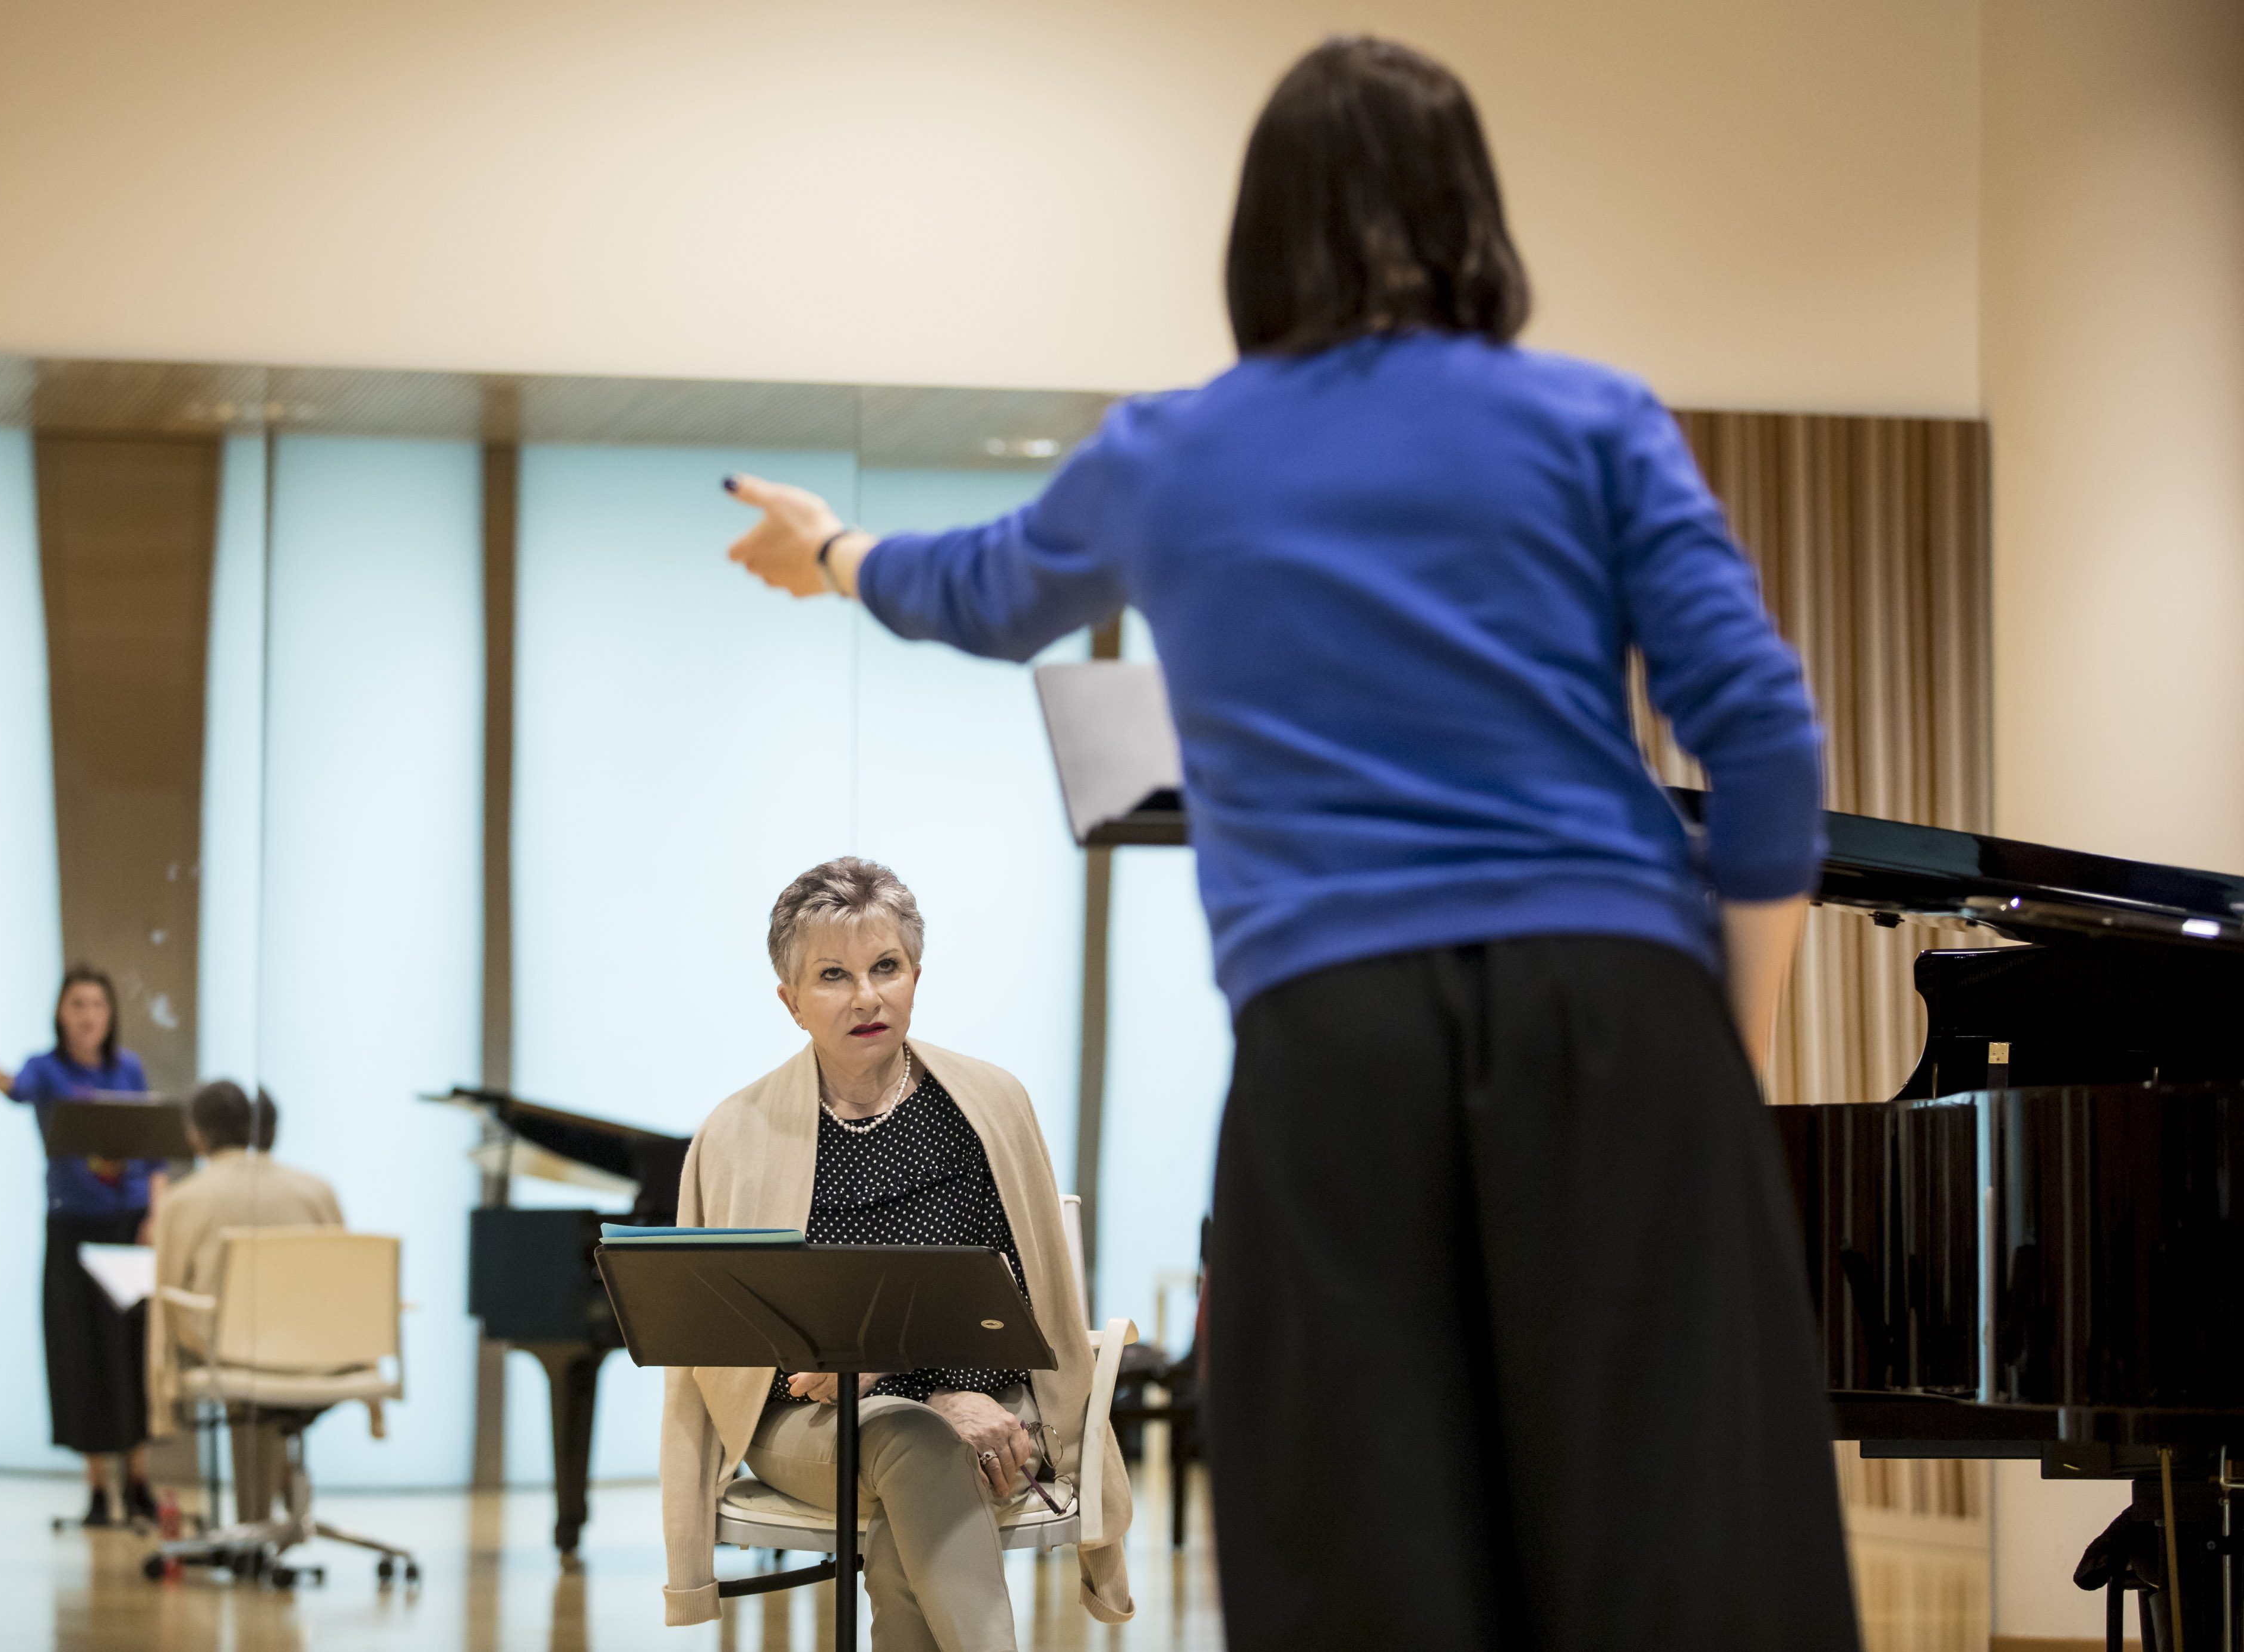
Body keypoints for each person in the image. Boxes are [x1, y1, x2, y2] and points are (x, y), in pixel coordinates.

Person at [719, 36, 1857, 1651]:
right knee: (1675, 1519)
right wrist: (1719, 1046)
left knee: (1360, 1528)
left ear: (1258, 234)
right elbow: (1766, 738)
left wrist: (830, 545)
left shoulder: (1173, 450)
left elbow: (971, 586)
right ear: (1478, 216)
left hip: (1341, 1039)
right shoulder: (1593, 418)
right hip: (1617, 1017)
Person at [660, 857, 1131, 1648]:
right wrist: (886, 1370)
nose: (868, 996)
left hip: (990, 1404)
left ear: (916, 975)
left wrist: (954, 1390)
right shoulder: (734, 1133)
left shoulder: (989, 1104)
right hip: (806, 1422)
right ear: (792, 1002)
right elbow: (729, 1349)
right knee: (920, 1440)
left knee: (915, 1499)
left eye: (887, 967)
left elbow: (1022, 1296)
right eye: (834, 975)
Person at [0, 963, 165, 1528]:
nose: (88, 1016)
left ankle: (139, 1481)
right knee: (78, 1353)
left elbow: (153, 1150)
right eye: (77, 1004)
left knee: (133, 1352)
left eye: (97, 1005)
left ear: (111, 1014)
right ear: (61, 1011)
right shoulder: (46, 1068)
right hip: (71, 1226)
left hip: (128, 1227)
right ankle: (97, 1489)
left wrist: (158, 1213)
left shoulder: (127, 1069)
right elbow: (16, 1089)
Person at [147, 1081, 344, 1523]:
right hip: (313, 1350)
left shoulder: (186, 1199)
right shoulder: (317, 1191)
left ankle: (254, 1524)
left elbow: (166, 1301)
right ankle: (274, 1495)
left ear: (196, 1134)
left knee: (230, 1341)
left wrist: (163, 1399)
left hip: (231, 1351)